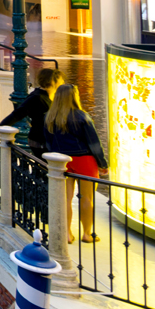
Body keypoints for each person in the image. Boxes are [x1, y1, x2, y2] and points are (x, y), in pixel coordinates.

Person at [44, 83, 108, 244]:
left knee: (65, 199)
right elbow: (94, 143)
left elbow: (48, 142)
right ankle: (87, 234)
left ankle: (66, 233)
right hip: (84, 160)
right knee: (87, 199)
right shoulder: (82, 116)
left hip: (61, 161)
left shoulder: (50, 117)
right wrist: (102, 163)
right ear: (74, 96)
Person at [0, 67, 62, 153]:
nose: (61, 84)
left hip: (47, 140)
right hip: (39, 141)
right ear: (52, 82)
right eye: (60, 82)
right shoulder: (36, 97)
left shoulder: (50, 96)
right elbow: (17, 114)